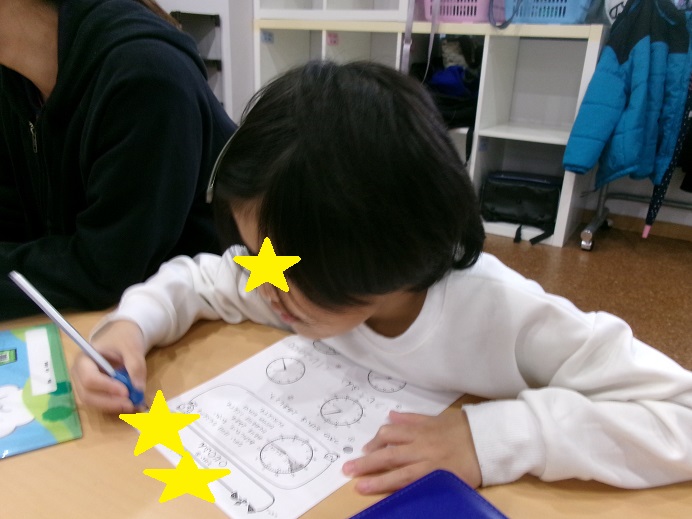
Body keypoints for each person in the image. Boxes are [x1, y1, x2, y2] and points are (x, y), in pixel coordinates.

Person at [72, 60, 692, 494]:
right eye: (257, 253)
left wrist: (492, 438)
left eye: (283, 271)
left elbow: (680, 414)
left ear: (390, 255)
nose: (261, 282)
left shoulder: (502, 313)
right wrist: (132, 325)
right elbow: (204, 279)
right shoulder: (289, 279)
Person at [0, 0, 236, 320]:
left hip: (216, 323)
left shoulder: (144, 75)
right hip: (118, 318)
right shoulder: (15, 81)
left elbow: (107, 269)